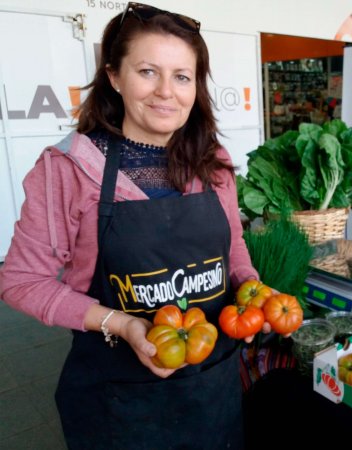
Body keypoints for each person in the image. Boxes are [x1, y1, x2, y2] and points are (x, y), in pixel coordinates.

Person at [0, 3, 263, 448]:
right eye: (147, 71)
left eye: (182, 76)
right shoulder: (69, 168)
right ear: (114, 77)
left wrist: (253, 288)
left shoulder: (213, 162)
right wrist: (121, 325)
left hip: (213, 385)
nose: (166, 91)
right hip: (118, 400)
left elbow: (232, 246)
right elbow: (22, 281)